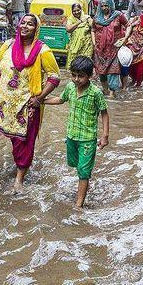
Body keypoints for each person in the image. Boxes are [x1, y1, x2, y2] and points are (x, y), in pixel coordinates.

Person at [0, 14, 60, 190]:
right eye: (23, 23)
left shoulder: (43, 51)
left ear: (36, 29)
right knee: (15, 140)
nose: (25, 26)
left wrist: (39, 98)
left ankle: (19, 178)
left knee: (26, 140)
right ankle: (21, 164)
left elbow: (54, 78)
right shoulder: (8, 45)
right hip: (5, 104)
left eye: (30, 24)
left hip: (28, 105)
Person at [43, 56, 109, 208]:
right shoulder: (70, 88)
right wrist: (42, 100)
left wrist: (105, 136)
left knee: (83, 171)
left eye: (81, 76)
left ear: (90, 76)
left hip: (87, 139)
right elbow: (60, 99)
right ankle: (84, 187)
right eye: (73, 75)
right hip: (71, 136)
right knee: (76, 166)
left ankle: (78, 205)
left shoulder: (95, 93)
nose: (76, 79)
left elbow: (104, 113)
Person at [92, 0, 128, 96]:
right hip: (100, 49)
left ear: (111, 5)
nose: (104, 8)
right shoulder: (96, 17)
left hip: (114, 48)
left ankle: (112, 94)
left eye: (106, 6)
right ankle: (105, 91)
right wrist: (94, 42)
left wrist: (125, 38)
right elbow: (93, 30)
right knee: (101, 72)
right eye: (102, 6)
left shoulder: (118, 15)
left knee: (114, 71)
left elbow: (128, 25)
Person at [65, 3, 94, 70]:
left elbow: (93, 26)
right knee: (74, 64)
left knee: (85, 64)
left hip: (86, 46)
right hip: (74, 47)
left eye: (78, 10)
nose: (76, 12)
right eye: (74, 11)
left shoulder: (87, 17)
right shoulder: (70, 19)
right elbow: (68, 29)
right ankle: (76, 77)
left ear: (81, 9)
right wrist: (80, 21)